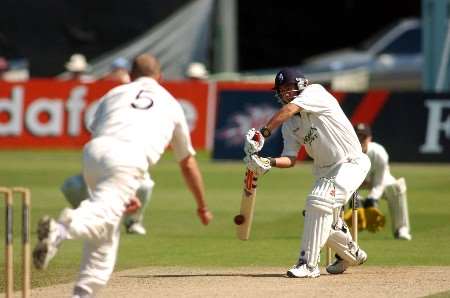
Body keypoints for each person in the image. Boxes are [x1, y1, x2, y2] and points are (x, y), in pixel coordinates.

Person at [33, 53, 213, 297]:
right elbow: (187, 163)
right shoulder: (171, 103)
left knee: (104, 243)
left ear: (130, 75)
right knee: (103, 215)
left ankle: (81, 293)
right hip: (128, 160)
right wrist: (202, 206)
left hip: (95, 153)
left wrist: (121, 186)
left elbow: (99, 133)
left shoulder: (115, 93)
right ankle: (60, 230)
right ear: (159, 77)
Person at [243, 68, 371, 278]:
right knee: (321, 219)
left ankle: (308, 265)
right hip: (325, 172)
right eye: (281, 91)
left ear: (301, 85)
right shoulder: (290, 126)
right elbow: (290, 159)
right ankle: (352, 255)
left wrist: (262, 133)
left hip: (351, 163)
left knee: (317, 201)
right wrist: (267, 161)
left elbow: (290, 109)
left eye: (288, 89)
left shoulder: (315, 92)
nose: (285, 94)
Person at [347, 123, 412, 240]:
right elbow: (343, 180)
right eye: (358, 136)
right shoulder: (345, 153)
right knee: (333, 191)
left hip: (376, 180)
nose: (361, 140)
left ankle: (401, 229)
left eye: (364, 137)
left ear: (370, 139)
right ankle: (338, 231)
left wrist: (372, 200)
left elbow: (379, 182)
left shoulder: (379, 153)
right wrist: (354, 199)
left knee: (396, 188)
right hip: (353, 183)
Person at [60, 172, 152, 235]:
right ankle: (86, 220)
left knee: (145, 185)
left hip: (127, 181)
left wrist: (129, 193)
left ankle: (132, 222)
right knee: (72, 185)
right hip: (100, 183)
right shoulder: (94, 148)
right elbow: (90, 177)